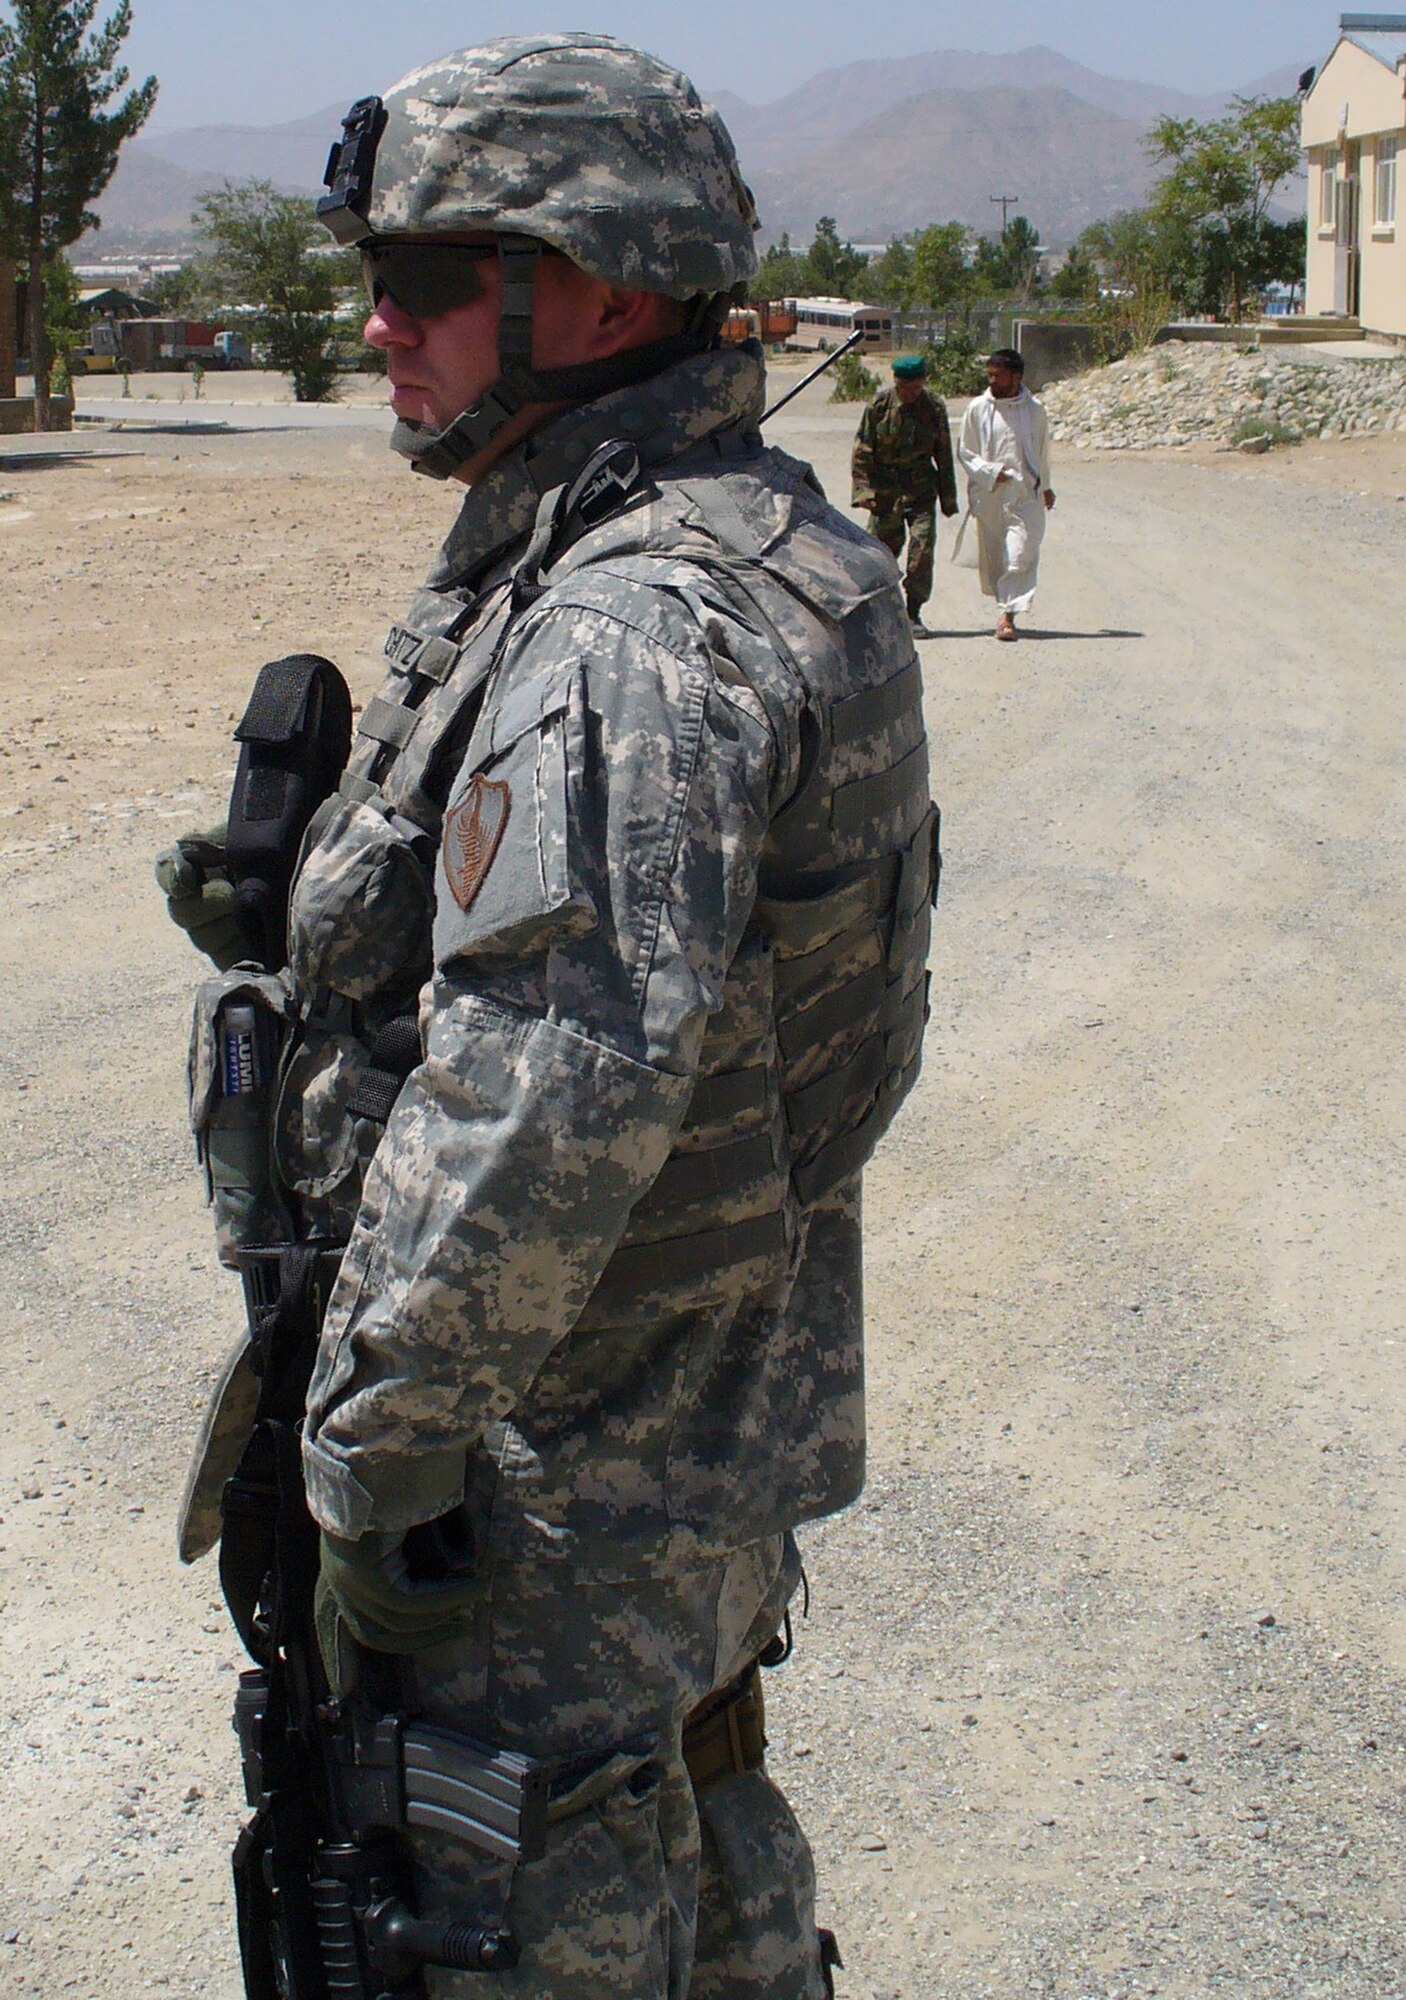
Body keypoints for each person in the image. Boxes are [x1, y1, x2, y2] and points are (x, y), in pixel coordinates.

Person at [166, 33, 938, 2000]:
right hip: (687, 1428)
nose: (379, 322)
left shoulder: (625, 619)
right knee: (696, 1817)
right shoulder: (756, 544)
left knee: (513, 1920)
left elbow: (552, 1098)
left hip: (549, 1476)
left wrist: (375, 1456)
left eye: (430, 278)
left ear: (594, 286)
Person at [850, 351, 959, 635]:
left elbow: (944, 453)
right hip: (886, 494)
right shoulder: (879, 405)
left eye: (915, 388)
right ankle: (878, 612)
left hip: (921, 490)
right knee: (880, 555)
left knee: (921, 553)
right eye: (904, 388)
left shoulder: (934, 407)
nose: (910, 394)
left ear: (923, 382)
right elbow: (862, 450)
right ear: (896, 382)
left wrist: (948, 498)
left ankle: (913, 612)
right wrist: (863, 490)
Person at [956, 347, 1055, 641]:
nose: (992, 381)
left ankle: (1006, 616)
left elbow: (1042, 452)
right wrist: (989, 472)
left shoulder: (1034, 410)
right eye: (990, 375)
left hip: (1025, 496)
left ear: (1016, 376)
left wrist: (1046, 486)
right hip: (990, 496)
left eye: (998, 376)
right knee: (997, 557)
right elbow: (965, 451)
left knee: (1020, 553)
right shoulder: (978, 408)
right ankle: (1004, 605)